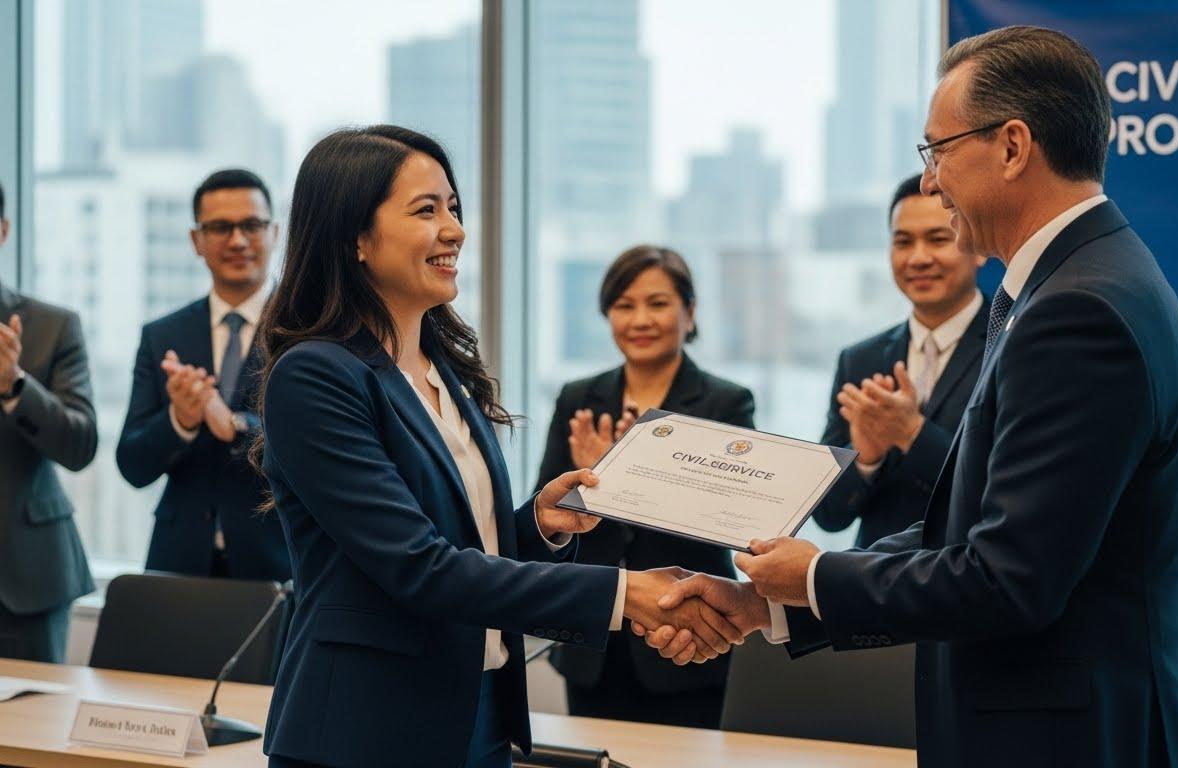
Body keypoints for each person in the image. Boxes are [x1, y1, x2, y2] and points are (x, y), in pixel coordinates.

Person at [640, 26, 1178, 767]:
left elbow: (1007, 579)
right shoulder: (1080, 281)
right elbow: (969, 533)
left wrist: (815, 574)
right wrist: (770, 604)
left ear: (1012, 147)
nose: (928, 183)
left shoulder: (1079, 310)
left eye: (937, 151)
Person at [254, 125, 741, 768]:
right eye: (426, 210)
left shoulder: (441, 370)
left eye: (454, 208)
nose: (455, 229)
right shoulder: (316, 375)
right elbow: (418, 568)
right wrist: (627, 595)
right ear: (356, 238)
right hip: (365, 730)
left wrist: (537, 523)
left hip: (477, 715)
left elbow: (464, 547)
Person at [537, 245, 754, 728]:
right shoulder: (579, 399)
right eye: (624, 305)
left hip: (689, 636)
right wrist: (585, 484)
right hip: (593, 636)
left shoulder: (725, 403)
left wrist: (624, 480)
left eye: (657, 304)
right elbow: (545, 523)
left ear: (690, 312)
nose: (640, 319)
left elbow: (730, 518)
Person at [115, 170, 290, 581]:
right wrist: (180, 420)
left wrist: (234, 425)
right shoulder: (162, 336)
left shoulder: (305, 330)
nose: (237, 240)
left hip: (278, 562)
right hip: (179, 563)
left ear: (275, 232)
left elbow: (318, 453)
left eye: (251, 225)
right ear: (197, 240)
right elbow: (132, 465)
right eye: (219, 227)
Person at [812, 174, 987, 547]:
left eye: (939, 239)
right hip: (867, 590)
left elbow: (996, 490)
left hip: (970, 583)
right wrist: (866, 460)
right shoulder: (860, 360)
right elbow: (827, 516)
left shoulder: (1009, 344)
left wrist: (911, 433)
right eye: (903, 242)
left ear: (979, 245)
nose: (919, 258)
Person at [0, 179, 98, 662]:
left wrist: (15, 384)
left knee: (33, 734)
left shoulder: (50, 326)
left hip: (25, 580)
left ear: (3, 231)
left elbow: (80, 445)